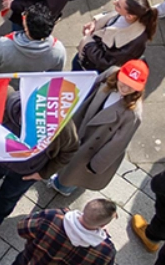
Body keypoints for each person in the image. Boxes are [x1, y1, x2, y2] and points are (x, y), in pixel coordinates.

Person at [49, 61, 146, 195]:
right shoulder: (111, 73)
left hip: (94, 146)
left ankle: (64, 188)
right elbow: (91, 85)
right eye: (124, 81)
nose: (126, 87)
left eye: (132, 86)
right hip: (82, 123)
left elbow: (118, 144)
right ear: (119, 75)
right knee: (66, 156)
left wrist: (95, 166)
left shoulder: (132, 114)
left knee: (75, 172)